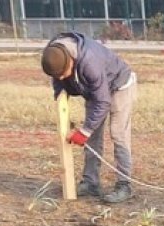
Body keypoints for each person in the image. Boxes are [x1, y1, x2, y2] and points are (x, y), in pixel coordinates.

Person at [41, 33, 137, 204]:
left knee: (118, 133)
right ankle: (91, 183)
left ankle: (124, 185)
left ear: (71, 60)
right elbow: (58, 82)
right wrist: (63, 112)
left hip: (119, 85)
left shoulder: (89, 61)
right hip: (95, 90)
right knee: (93, 137)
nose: (62, 78)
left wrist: (84, 131)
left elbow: (103, 101)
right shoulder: (54, 52)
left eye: (64, 73)